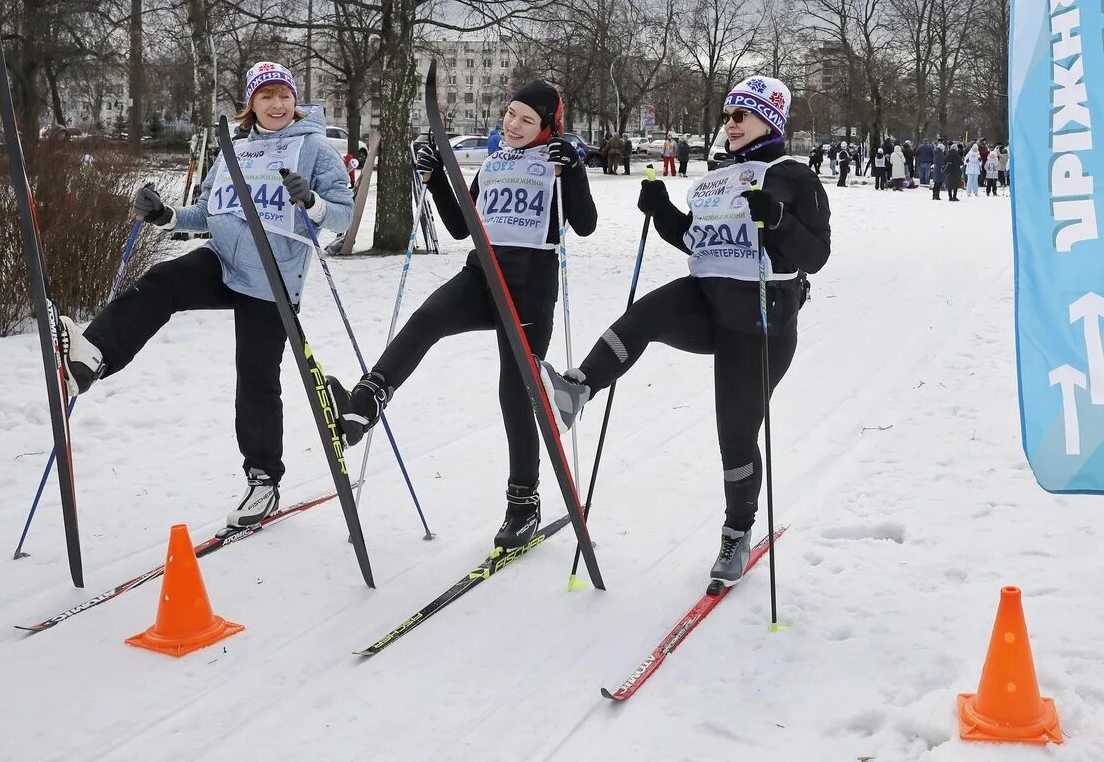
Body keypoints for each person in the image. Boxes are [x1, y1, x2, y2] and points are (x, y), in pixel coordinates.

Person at [537, 76, 830, 586]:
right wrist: (663, 212)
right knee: (646, 314)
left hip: (761, 317)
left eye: (741, 115)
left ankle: (737, 532)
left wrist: (779, 219)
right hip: (708, 299)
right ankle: (576, 389)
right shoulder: (716, 179)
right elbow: (700, 243)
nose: (730, 124)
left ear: (770, 121)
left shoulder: (793, 176)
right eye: (727, 116)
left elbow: (817, 255)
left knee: (735, 433)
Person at [55, 62, 355, 528]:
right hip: (223, 260)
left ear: (296, 102)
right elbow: (209, 211)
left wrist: (311, 201)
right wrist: (167, 215)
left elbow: (343, 216)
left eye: (284, 96)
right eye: (266, 96)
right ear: (250, 105)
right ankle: (93, 357)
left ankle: (263, 481)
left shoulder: (314, 148)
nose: (277, 105)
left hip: (271, 280)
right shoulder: (236, 150)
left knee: (255, 381)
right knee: (164, 281)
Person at [335, 80, 596, 548]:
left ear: (548, 125)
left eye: (526, 120)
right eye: (511, 113)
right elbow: (462, 227)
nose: (513, 125)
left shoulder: (556, 162)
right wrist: (435, 180)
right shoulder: (495, 162)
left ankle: (523, 503)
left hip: (530, 288)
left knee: (515, 394)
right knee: (427, 319)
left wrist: (573, 171)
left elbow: (586, 224)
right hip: (481, 276)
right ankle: (368, 399)